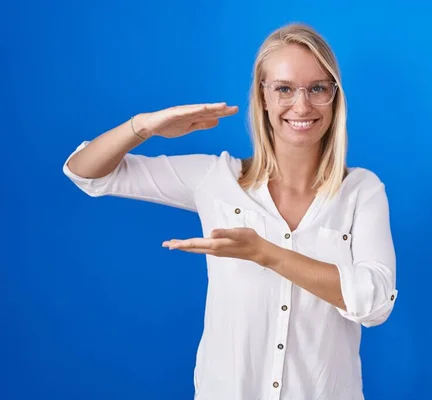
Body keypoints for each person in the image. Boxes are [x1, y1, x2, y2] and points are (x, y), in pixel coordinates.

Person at [63, 22, 397, 400]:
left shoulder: (361, 191)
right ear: (263, 96)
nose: (301, 105)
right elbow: (85, 172)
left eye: (318, 88)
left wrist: (266, 254)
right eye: (284, 89)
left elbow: (375, 303)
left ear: (335, 97)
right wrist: (145, 126)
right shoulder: (216, 179)